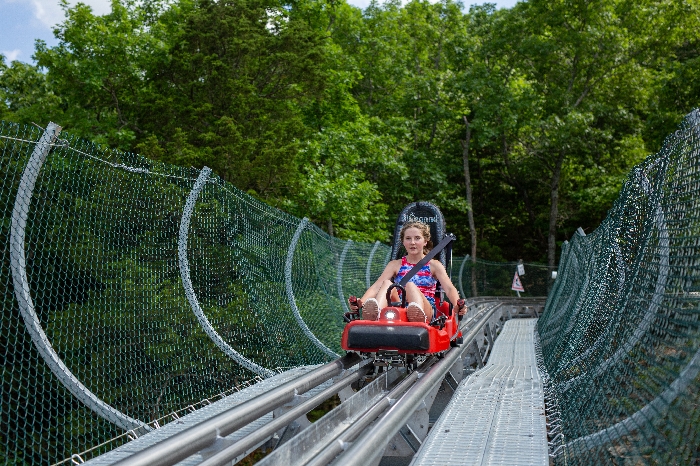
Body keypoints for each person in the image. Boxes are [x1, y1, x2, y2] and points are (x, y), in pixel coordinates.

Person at [349, 221, 466, 323]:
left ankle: (417, 315)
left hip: (426, 308)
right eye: (408, 238)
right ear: (403, 242)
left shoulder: (434, 265)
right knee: (386, 284)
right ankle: (375, 314)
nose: (412, 242)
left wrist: (457, 305)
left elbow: (449, 288)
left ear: (425, 241)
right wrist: (361, 301)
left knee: (410, 286)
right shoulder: (395, 264)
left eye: (417, 238)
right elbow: (376, 287)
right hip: (400, 307)